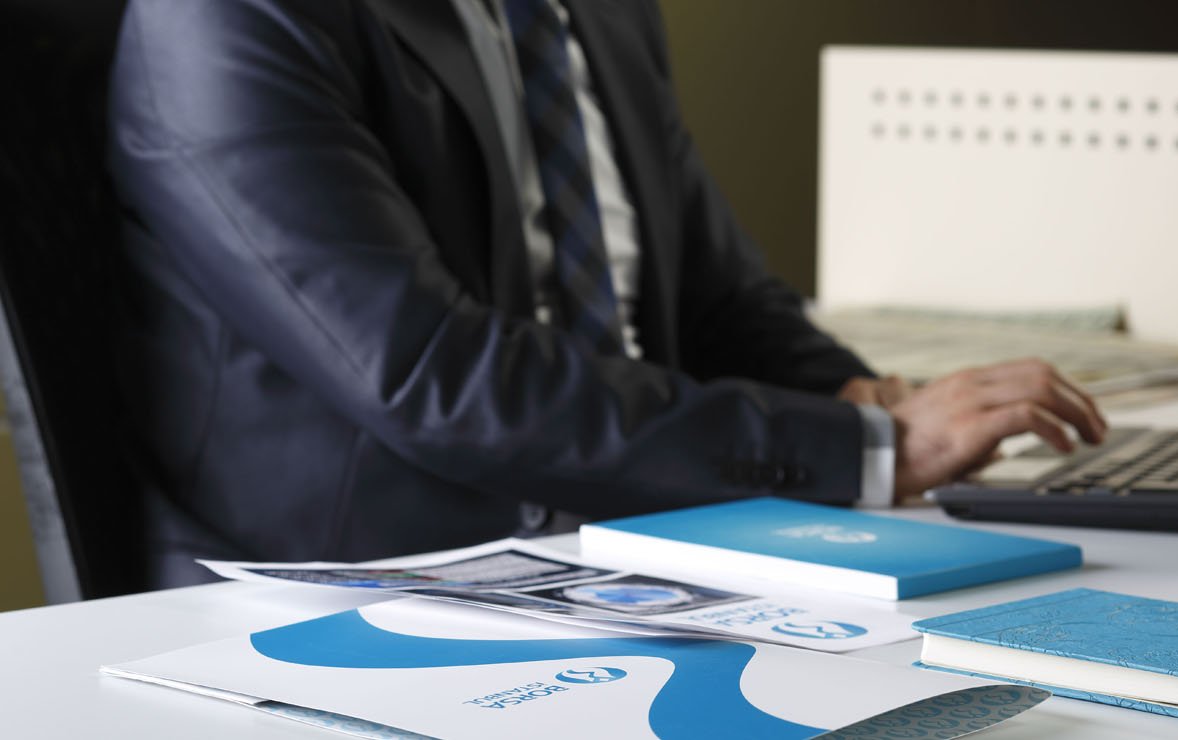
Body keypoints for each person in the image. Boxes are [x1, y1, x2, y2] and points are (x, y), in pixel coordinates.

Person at [107, 0, 1107, 588]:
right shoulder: (227, 16)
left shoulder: (591, 14)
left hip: (630, 547)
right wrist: (866, 450)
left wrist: (862, 397)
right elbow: (430, 376)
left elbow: (719, 299)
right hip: (361, 582)